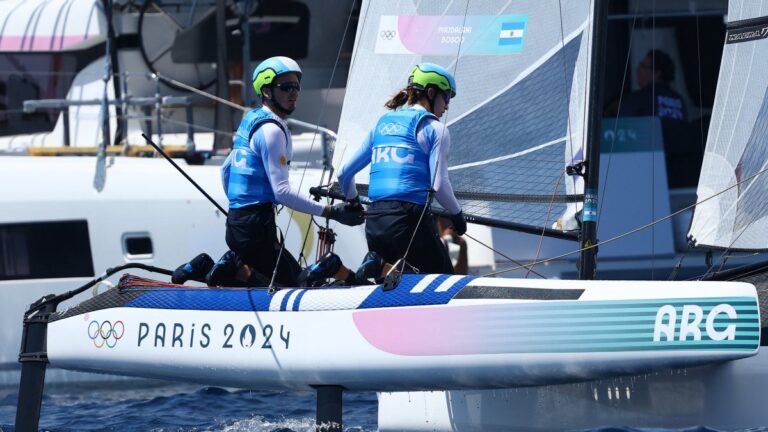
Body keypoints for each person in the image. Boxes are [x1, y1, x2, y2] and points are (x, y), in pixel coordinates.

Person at [174, 56, 364, 287]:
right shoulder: (272, 131)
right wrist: (331, 212)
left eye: (296, 87)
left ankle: (207, 267)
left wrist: (239, 203)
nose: (293, 93)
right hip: (256, 226)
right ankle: (331, 265)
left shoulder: (251, 119)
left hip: (238, 223)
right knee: (295, 285)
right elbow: (282, 192)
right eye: (285, 87)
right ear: (266, 91)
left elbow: (226, 170)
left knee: (256, 283)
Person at [337, 63, 466, 278]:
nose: (447, 106)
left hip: (375, 220)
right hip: (409, 220)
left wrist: (353, 203)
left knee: (396, 285)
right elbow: (439, 185)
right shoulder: (436, 129)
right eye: (446, 98)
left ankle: (371, 266)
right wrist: (457, 216)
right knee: (443, 281)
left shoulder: (381, 124)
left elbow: (343, 174)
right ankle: (378, 266)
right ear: (431, 93)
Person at [607, 49, 687, 121]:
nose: (638, 69)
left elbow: (622, 123)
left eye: (643, 66)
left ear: (657, 73)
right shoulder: (680, 100)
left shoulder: (639, 98)